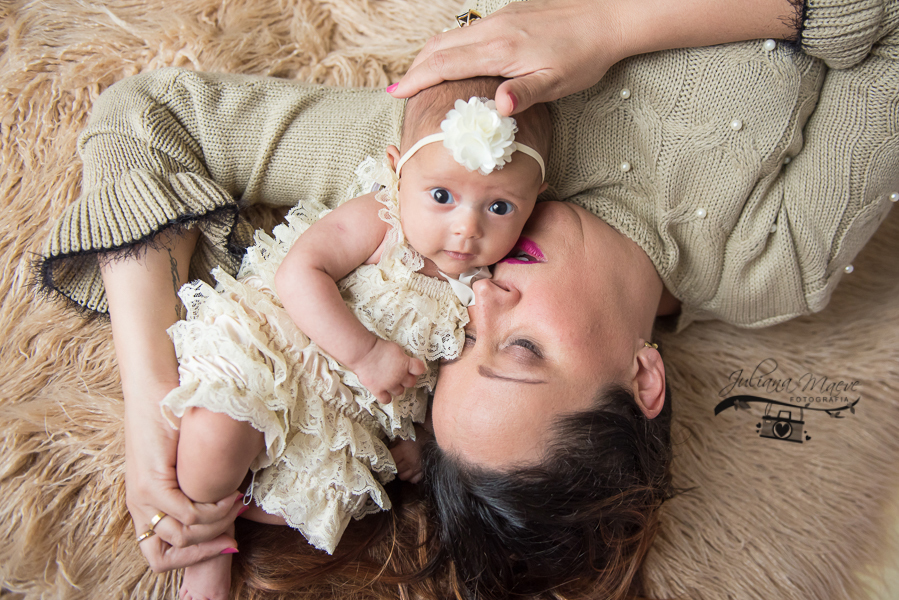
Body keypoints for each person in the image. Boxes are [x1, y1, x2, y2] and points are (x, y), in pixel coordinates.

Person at [35, 0, 899, 597]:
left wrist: (158, 415)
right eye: (519, 350)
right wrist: (612, 24)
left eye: (460, 352)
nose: (479, 299)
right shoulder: (775, 259)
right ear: (645, 378)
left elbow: (147, 116)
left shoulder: (435, 191)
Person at [162, 77, 550, 600]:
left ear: (534, 204)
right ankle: (210, 540)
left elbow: (450, 376)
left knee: (317, 507)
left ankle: (240, 501)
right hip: (282, 353)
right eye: (441, 196)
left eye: (499, 207)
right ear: (396, 169)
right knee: (212, 450)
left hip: (344, 417)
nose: (466, 228)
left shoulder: (486, 289)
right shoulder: (382, 219)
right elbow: (300, 273)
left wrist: (420, 439)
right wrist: (364, 352)